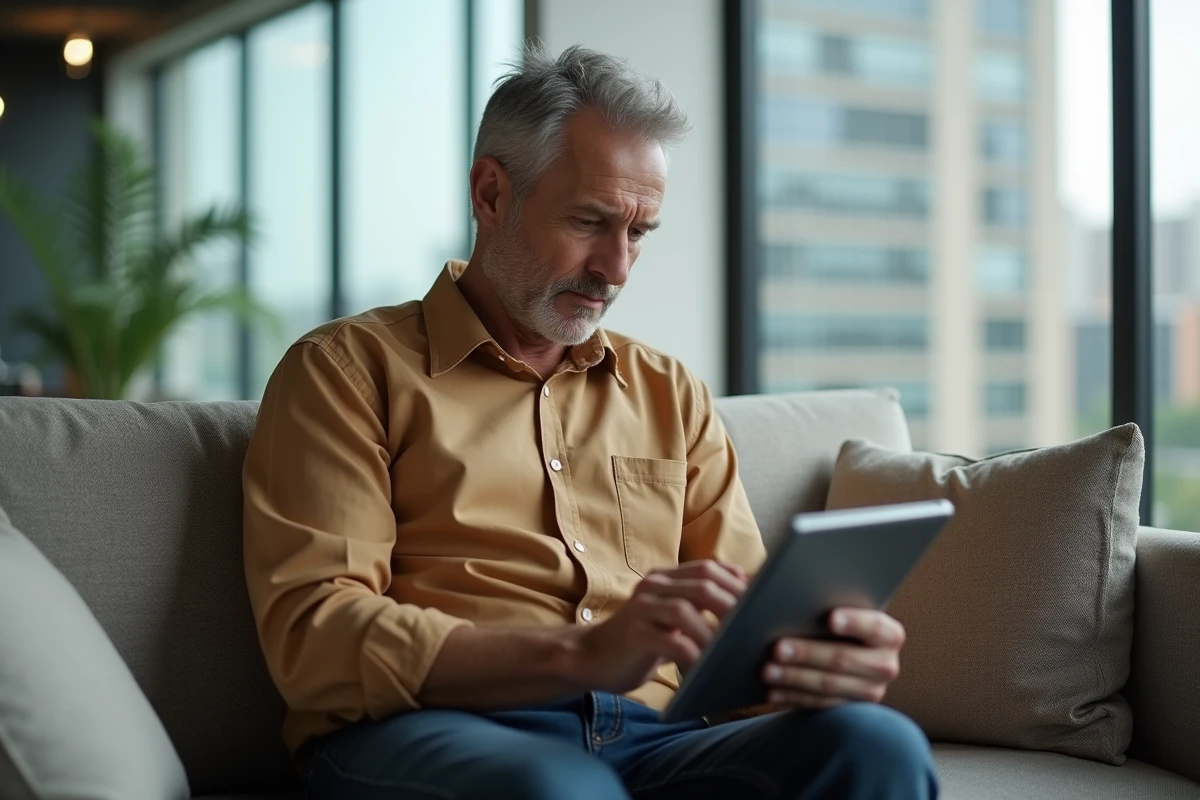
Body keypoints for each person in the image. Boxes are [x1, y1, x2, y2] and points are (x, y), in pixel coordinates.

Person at [243, 43, 938, 800]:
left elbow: (739, 632)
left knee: (876, 744)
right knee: (559, 791)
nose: (617, 269)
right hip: (436, 729)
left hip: (656, 738)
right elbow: (316, 636)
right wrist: (579, 654)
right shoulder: (346, 372)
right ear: (491, 194)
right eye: (590, 221)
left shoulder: (669, 392)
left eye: (639, 233)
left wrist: (819, 664)